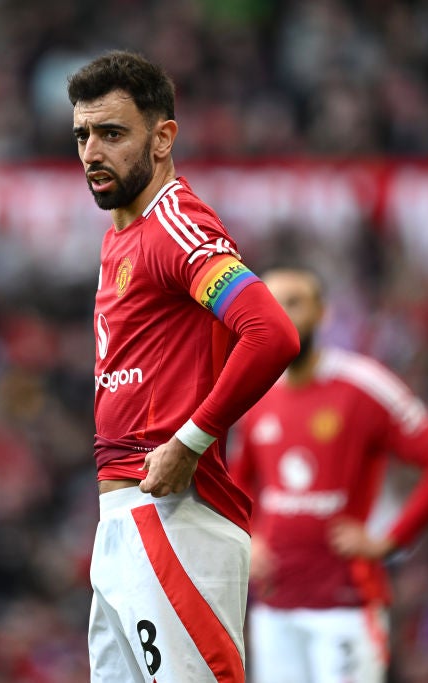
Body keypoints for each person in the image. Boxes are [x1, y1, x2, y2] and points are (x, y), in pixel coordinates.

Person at [67, 50, 300, 682]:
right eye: (83, 135)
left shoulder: (174, 223)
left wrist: (191, 440)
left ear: (163, 137)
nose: (92, 151)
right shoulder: (122, 232)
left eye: (112, 134)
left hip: (175, 518)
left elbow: (272, 332)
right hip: (121, 521)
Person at [230, 266, 428, 683]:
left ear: (322, 313)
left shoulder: (363, 385)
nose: (283, 315)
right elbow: (237, 479)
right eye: (272, 306)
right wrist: (249, 538)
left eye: (295, 303)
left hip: (345, 606)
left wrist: (390, 541)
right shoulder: (257, 391)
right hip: (275, 607)